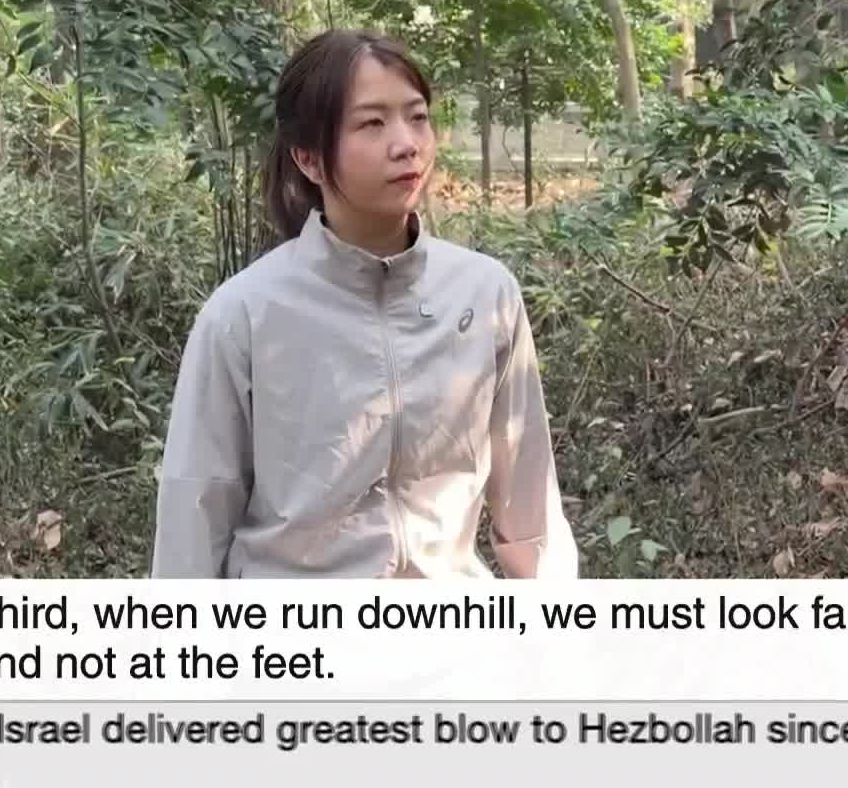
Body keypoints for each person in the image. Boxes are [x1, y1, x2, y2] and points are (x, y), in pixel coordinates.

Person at [150, 29, 578, 579]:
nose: (407, 144)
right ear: (308, 157)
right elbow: (194, 519)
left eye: (417, 117)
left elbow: (529, 510)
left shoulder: (484, 293)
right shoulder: (245, 316)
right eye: (372, 123)